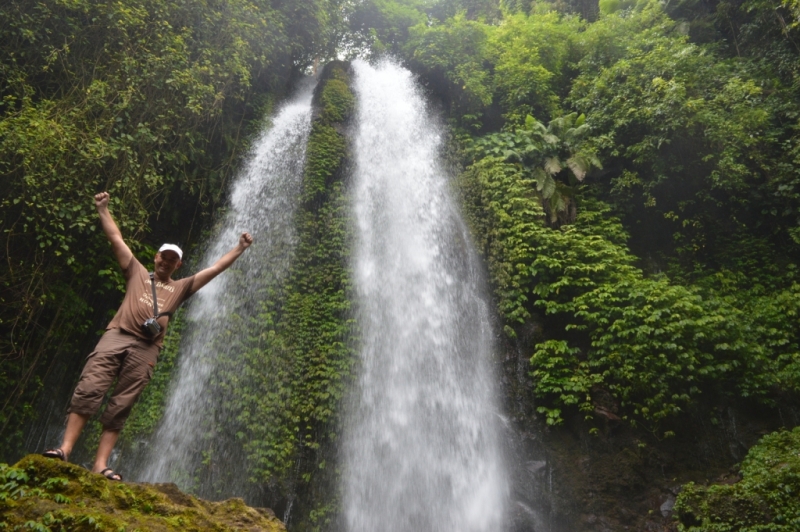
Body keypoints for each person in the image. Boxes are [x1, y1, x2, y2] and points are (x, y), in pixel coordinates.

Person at [42, 191, 253, 481]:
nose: (166, 262)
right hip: (117, 335)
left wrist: (239, 248)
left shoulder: (181, 288)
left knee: (122, 404)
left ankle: (100, 465)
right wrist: (103, 209)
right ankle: (65, 449)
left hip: (146, 350)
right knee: (90, 388)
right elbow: (116, 239)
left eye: (172, 260)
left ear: (178, 265)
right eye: (163, 257)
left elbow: (214, 269)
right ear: (156, 257)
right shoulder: (136, 272)